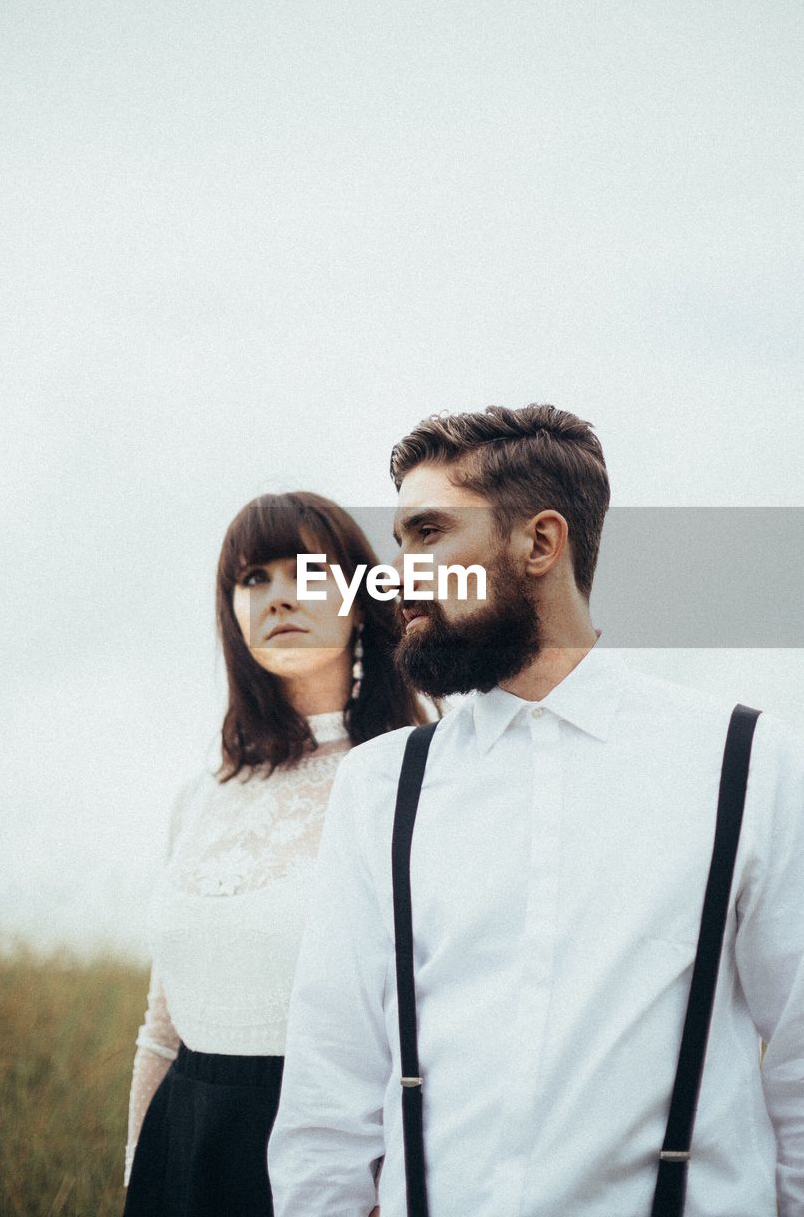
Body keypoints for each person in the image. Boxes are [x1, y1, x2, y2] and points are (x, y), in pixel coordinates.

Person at [268, 404, 804, 1217]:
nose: (397, 572)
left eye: (428, 533)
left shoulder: (746, 764)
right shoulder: (382, 787)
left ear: (540, 543)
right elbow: (327, 1091)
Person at [122, 491, 426, 1217]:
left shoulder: (410, 778)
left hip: (327, 1158)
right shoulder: (202, 795)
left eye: (310, 574)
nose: (279, 597)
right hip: (181, 1149)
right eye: (253, 578)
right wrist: (137, 1173)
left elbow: (428, 1032)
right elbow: (161, 1031)